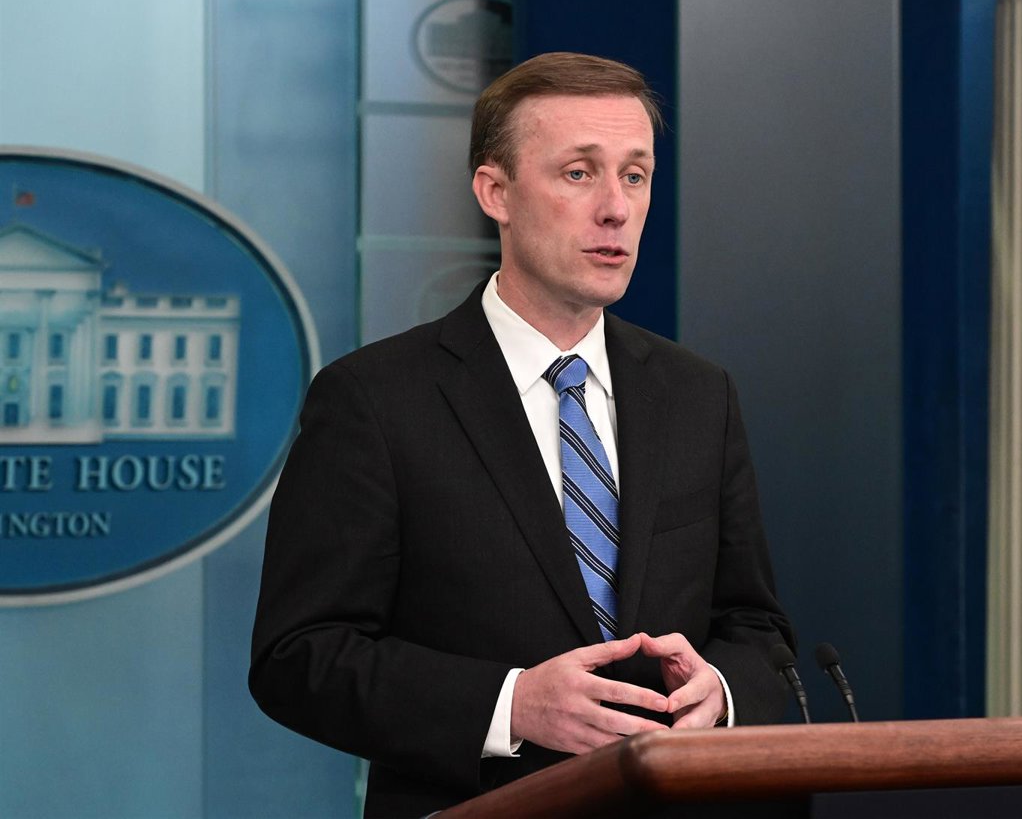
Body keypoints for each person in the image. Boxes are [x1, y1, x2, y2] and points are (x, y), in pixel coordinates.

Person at [249, 51, 795, 817]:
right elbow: (298, 655)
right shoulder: (374, 399)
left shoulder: (699, 395)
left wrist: (724, 689)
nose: (616, 208)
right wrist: (510, 704)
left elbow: (756, 628)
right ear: (495, 192)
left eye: (635, 175)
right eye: (579, 173)